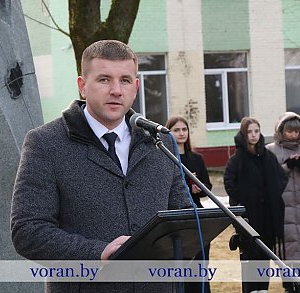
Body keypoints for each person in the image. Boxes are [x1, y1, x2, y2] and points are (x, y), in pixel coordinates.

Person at [10, 40, 191, 293]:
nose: (116, 90)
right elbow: (28, 231)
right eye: (104, 79)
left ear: (136, 87)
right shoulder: (45, 143)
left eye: (125, 80)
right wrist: (97, 252)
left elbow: (183, 217)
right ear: (83, 86)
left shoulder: (160, 142)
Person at [223, 117, 287, 293]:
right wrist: (244, 200)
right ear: (244, 134)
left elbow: (281, 178)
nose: (253, 135)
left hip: (267, 218)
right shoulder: (237, 159)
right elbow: (229, 182)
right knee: (250, 260)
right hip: (249, 220)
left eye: (256, 131)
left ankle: (262, 290)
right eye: (249, 132)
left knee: (264, 260)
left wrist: (270, 194)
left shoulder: (268, 156)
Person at [266, 112, 300, 293]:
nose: (293, 135)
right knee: (287, 249)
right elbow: (269, 178)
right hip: (283, 206)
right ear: (281, 131)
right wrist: (288, 166)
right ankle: (290, 286)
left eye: (297, 132)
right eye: (290, 131)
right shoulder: (271, 150)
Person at [166, 115, 213, 293]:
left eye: (184, 129)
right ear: (168, 132)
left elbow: (207, 185)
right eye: (176, 130)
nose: (181, 133)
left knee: (200, 260)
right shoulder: (165, 158)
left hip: (196, 212)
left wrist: (198, 188)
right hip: (176, 215)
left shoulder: (197, 158)